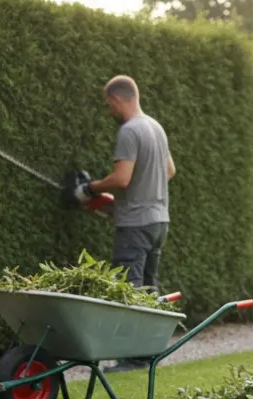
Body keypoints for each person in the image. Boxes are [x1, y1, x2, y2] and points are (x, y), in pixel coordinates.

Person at [70, 74, 175, 372]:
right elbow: (169, 171)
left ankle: (132, 359)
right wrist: (131, 199)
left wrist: (89, 189)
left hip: (136, 227)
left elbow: (122, 179)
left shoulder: (130, 131)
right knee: (148, 290)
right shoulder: (155, 127)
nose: (109, 112)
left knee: (128, 291)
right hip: (159, 222)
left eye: (108, 105)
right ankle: (148, 353)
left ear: (117, 99)